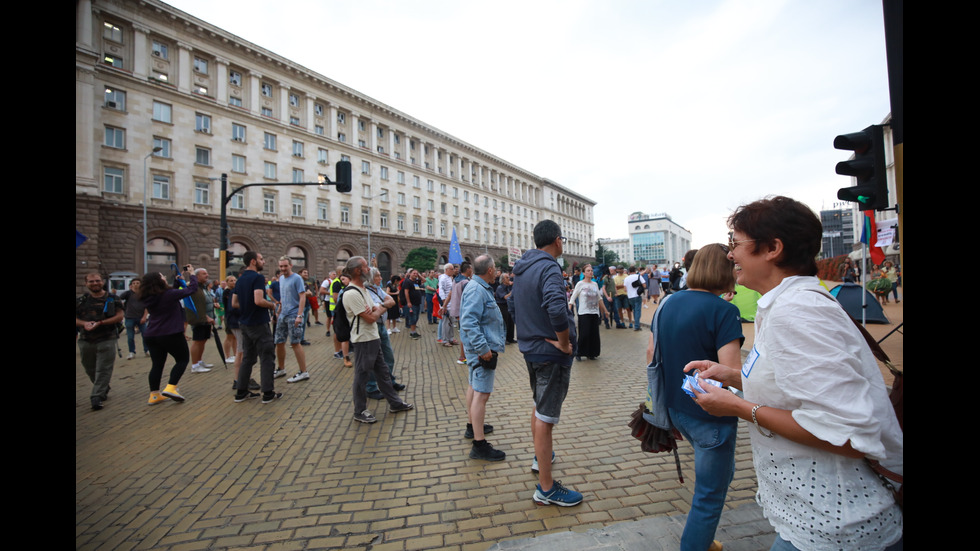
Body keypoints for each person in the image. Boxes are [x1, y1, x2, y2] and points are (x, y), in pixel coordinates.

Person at [686, 196, 903, 551]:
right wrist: (733, 377)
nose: (730, 255)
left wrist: (739, 407)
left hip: (835, 524)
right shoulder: (780, 306)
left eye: (735, 245)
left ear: (773, 248)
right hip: (812, 514)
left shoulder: (797, 312)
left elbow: (846, 436)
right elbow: (796, 386)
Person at [645, 244, 743, 551]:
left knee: (716, 478)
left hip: (675, 406)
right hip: (711, 413)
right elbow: (731, 371)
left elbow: (651, 353)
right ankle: (696, 543)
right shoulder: (725, 311)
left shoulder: (669, 302)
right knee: (710, 495)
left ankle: (702, 539)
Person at [512, 220, 582, 507]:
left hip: (532, 349)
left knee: (540, 407)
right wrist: (564, 342)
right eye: (562, 239)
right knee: (546, 416)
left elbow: (513, 306)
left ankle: (540, 457)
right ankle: (546, 488)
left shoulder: (522, 268)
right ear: (557, 240)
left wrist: (529, 334)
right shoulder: (549, 266)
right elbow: (556, 307)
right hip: (550, 353)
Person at [342, 256, 414, 424]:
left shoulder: (364, 290)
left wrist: (377, 309)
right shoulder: (352, 293)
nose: (369, 269)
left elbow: (374, 311)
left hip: (373, 338)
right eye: (366, 267)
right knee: (362, 375)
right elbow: (371, 317)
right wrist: (383, 307)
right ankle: (359, 411)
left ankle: (395, 403)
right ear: (358, 271)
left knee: (383, 373)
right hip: (364, 340)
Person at [460, 255, 506, 461]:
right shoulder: (477, 290)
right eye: (495, 268)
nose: (496, 271)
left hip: (478, 349)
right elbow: (469, 322)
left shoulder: (478, 287)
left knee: (474, 387)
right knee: (481, 394)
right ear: (489, 270)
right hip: (481, 350)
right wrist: (483, 348)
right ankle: (479, 444)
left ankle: (473, 426)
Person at [138, 268, 198, 405]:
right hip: (170, 333)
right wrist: (192, 274)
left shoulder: (148, 296)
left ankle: (154, 395)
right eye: (162, 276)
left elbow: (171, 293)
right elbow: (191, 290)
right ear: (158, 281)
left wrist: (177, 281)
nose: (164, 277)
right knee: (182, 360)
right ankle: (171, 387)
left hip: (152, 334)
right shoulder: (168, 294)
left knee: (157, 364)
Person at [233, 251, 281, 404]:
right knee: (267, 357)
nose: (264, 262)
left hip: (244, 323)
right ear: (253, 261)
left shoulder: (240, 280)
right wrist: (272, 305)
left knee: (248, 357)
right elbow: (259, 300)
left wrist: (246, 306)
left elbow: (234, 303)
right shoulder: (258, 278)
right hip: (258, 323)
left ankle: (241, 392)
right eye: (261, 259)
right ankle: (268, 393)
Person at [76, 272, 124, 410]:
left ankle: (96, 396)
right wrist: (83, 324)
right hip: (86, 339)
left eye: (97, 281)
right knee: (89, 367)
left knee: (104, 368)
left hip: (107, 338)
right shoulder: (81, 300)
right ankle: (103, 387)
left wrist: (101, 322)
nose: (95, 283)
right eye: (91, 281)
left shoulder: (113, 299)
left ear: (102, 282)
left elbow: (120, 316)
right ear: (86, 284)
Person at [365, 267, 406, 399]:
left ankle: (389, 382)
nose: (381, 278)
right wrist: (384, 305)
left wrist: (381, 306)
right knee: (372, 359)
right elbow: (374, 311)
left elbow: (391, 302)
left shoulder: (377, 290)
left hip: (381, 326)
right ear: (371, 278)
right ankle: (370, 387)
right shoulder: (365, 291)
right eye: (378, 276)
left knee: (388, 356)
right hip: (372, 328)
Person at [274, 256, 310, 383]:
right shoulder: (281, 278)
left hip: (293, 314)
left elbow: (302, 297)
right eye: (281, 266)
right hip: (283, 314)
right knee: (279, 341)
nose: (283, 268)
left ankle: (303, 372)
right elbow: (284, 295)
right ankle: (281, 368)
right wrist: (279, 309)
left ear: (290, 265)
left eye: (285, 266)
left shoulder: (297, 278)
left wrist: (299, 315)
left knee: (295, 342)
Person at [568, 265, 605, 360]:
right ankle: (579, 352)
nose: (590, 272)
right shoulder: (580, 284)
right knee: (584, 333)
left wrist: (605, 310)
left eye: (591, 271)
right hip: (584, 312)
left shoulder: (594, 284)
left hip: (594, 312)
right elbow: (573, 297)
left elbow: (599, 298)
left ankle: (592, 353)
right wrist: (569, 307)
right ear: (584, 273)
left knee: (594, 333)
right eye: (588, 271)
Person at [185, 268, 215, 373]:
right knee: (197, 341)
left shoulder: (203, 287)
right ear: (197, 276)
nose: (207, 275)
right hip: (199, 319)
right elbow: (196, 305)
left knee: (203, 340)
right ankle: (195, 365)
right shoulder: (194, 288)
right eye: (204, 274)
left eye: (207, 273)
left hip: (206, 318)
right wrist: (206, 317)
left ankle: (199, 361)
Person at [119, 279, 149, 360]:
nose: (136, 284)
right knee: (130, 337)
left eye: (138, 283)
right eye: (134, 283)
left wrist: (144, 317)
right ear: (131, 285)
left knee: (145, 335)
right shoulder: (128, 293)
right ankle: (131, 352)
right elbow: (118, 300)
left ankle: (147, 350)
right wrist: (122, 310)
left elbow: (147, 306)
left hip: (141, 318)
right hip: (129, 317)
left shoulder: (144, 294)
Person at [400, 269, 423, 339]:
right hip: (412, 304)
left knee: (416, 318)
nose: (415, 275)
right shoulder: (407, 281)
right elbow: (406, 292)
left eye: (416, 273)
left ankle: (414, 332)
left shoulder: (416, 281)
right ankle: (412, 333)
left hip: (417, 303)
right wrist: (408, 302)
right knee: (412, 317)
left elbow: (424, 280)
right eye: (414, 273)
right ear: (410, 274)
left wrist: (418, 275)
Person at [494, 272, 516, 344]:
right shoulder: (500, 288)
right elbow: (506, 297)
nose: (509, 279)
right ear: (503, 280)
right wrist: (513, 291)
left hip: (508, 306)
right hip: (502, 306)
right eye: (507, 277)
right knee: (505, 323)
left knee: (511, 322)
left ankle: (510, 338)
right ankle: (504, 339)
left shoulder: (508, 287)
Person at [623, 266, 644, 331]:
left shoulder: (626, 278)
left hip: (630, 297)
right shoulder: (638, 276)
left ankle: (636, 324)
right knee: (637, 311)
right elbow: (644, 285)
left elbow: (625, 289)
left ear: (629, 271)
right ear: (635, 270)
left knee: (634, 310)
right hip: (637, 295)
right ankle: (637, 326)